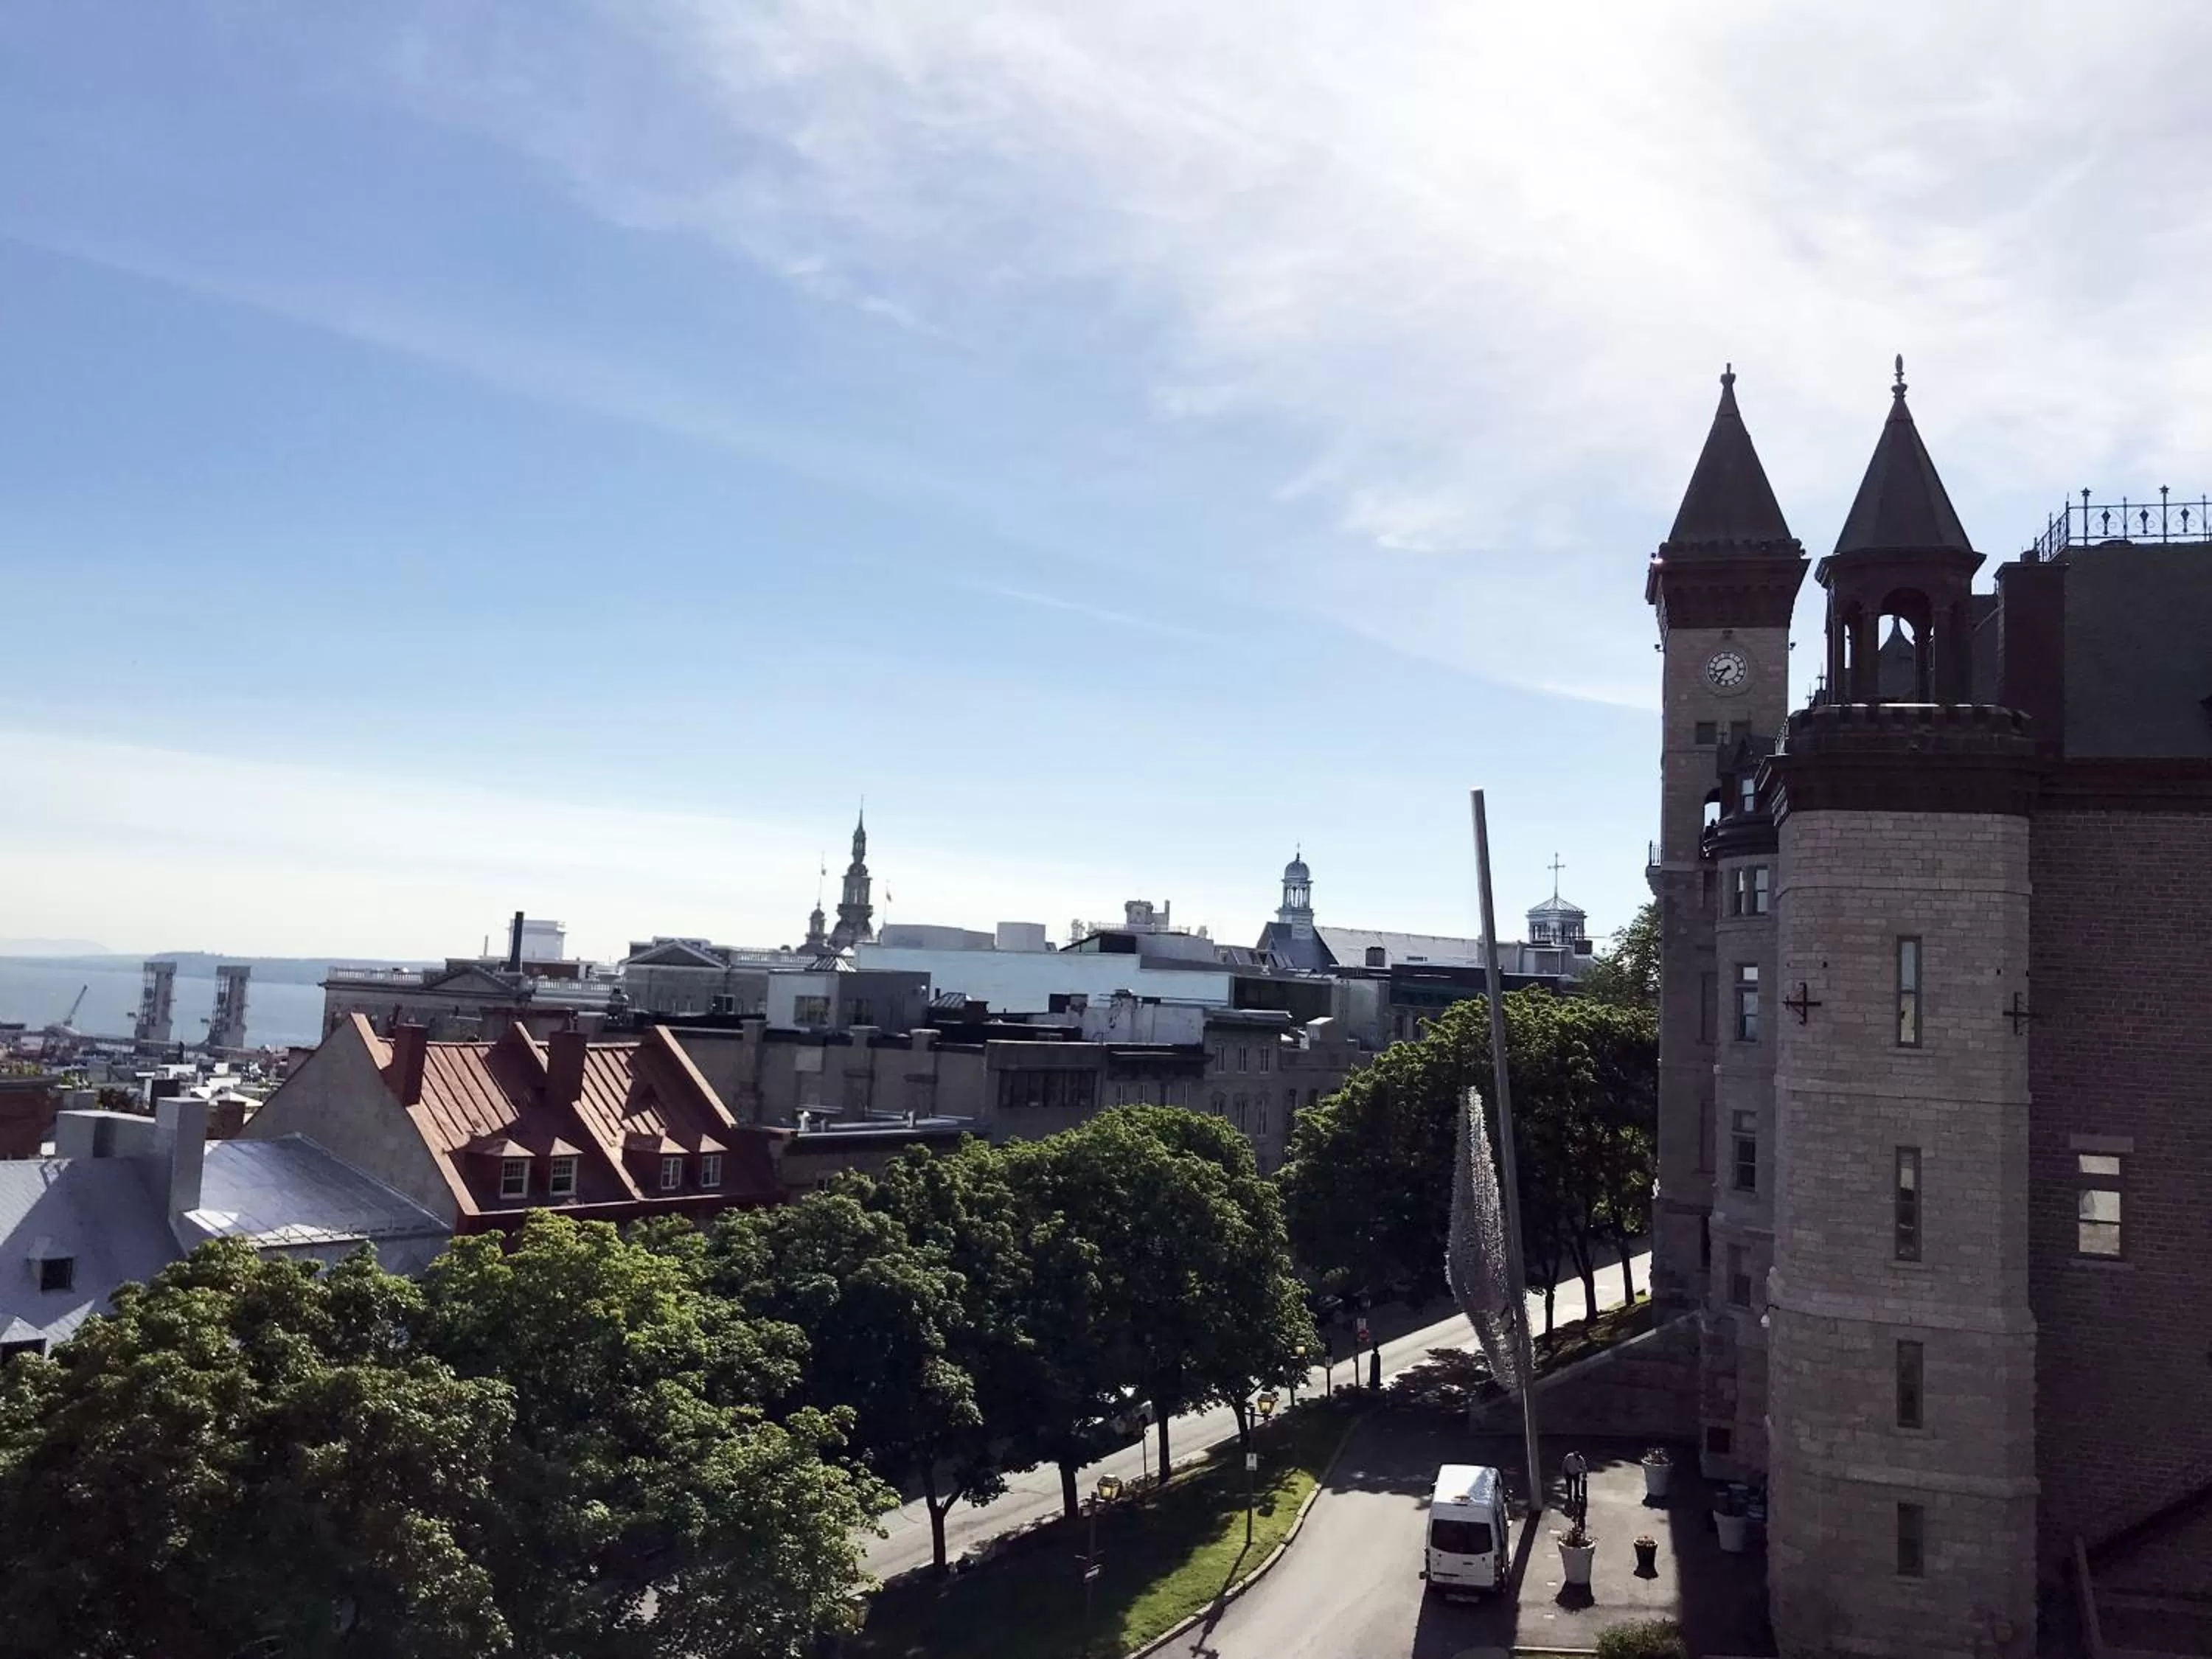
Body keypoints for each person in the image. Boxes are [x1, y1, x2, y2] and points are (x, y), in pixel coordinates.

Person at [1563, 1449, 1588, 1525]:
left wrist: (1585, 1473)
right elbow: (1564, 1464)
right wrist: (1564, 1472)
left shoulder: (1580, 1459)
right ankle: (1570, 1497)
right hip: (1569, 1473)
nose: (1577, 1458)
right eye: (1576, 1457)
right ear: (1574, 1455)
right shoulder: (1569, 1457)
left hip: (1576, 1473)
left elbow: (1584, 1466)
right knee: (1569, 1486)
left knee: (1576, 1486)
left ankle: (1576, 1497)